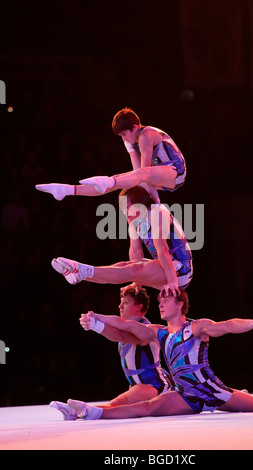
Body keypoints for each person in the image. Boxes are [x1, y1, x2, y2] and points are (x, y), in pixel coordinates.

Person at [50, 289, 253, 421]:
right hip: (186, 395)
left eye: (165, 300)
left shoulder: (197, 326)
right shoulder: (157, 332)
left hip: (211, 389)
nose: (160, 304)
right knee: (146, 409)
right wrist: (97, 318)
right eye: (159, 300)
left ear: (179, 304)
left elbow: (227, 325)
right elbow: (126, 325)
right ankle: (90, 412)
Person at [50, 287, 172, 420]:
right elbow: (120, 333)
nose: (120, 306)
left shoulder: (146, 330)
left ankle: (79, 411)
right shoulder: (126, 329)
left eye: (125, 302)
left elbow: (121, 335)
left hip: (154, 386)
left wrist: (96, 324)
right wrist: (95, 323)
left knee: (118, 403)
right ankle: (75, 412)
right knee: (120, 406)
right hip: (139, 384)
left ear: (139, 307)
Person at [51, 186, 193, 295]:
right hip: (166, 268)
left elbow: (162, 249)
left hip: (180, 270)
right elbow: (135, 251)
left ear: (139, 204)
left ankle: (80, 269)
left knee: (134, 268)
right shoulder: (135, 221)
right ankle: (79, 275)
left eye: (127, 207)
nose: (124, 212)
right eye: (122, 209)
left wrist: (173, 282)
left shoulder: (157, 212)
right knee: (125, 265)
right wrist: (138, 283)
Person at [35, 108, 186, 203]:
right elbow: (138, 175)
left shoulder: (146, 134)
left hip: (176, 172)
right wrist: (118, 182)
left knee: (121, 179)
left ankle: (108, 181)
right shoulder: (130, 141)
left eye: (124, 134)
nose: (123, 139)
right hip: (157, 174)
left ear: (134, 127)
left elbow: (144, 172)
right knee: (120, 179)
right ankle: (68, 190)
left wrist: (157, 204)